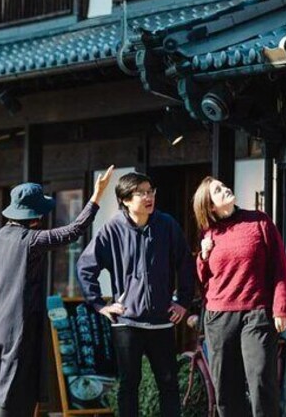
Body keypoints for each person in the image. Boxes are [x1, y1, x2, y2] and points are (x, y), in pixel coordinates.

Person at [0, 166, 114, 417]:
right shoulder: (31, 240)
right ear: (35, 216)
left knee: (2, 385)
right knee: (18, 388)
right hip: (21, 324)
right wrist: (96, 196)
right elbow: (73, 231)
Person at [77, 172, 194, 417]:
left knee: (168, 383)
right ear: (126, 199)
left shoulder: (167, 225)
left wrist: (183, 301)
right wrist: (99, 305)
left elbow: (185, 263)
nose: (149, 196)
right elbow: (86, 266)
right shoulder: (112, 228)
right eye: (141, 192)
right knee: (129, 384)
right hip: (127, 322)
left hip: (162, 321)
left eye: (151, 190)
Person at [193, 176, 286, 417]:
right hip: (219, 317)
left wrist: (281, 307)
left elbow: (280, 266)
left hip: (257, 312)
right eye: (218, 190)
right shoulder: (209, 233)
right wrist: (203, 256)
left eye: (223, 185)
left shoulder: (259, 221)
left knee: (260, 381)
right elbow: (203, 279)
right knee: (225, 388)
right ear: (210, 205)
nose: (225, 188)